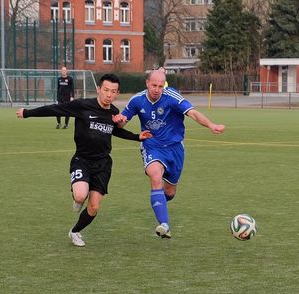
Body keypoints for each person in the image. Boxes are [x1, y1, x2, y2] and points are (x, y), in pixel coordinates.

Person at [16, 73, 152, 247]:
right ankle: (78, 197)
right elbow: (54, 109)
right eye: (106, 90)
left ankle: (75, 232)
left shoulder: (113, 113)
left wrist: (137, 137)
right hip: (82, 160)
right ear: (98, 89)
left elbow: (115, 131)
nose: (109, 94)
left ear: (117, 93)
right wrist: (27, 113)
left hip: (103, 164)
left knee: (94, 207)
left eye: (113, 91)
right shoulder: (82, 105)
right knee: (80, 196)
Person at [113, 70, 225, 239]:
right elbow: (121, 124)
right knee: (155, 176)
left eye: (160, 86)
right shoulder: (137, 100)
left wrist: (211, 125)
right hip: (152, 146)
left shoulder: (172, 97)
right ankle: (164, 225)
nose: (157, 89)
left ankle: (159, 200)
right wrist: (120, 122)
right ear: (147, 83)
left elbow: (193, 113)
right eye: (154, 85)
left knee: (170, 192)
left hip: (174, 148)